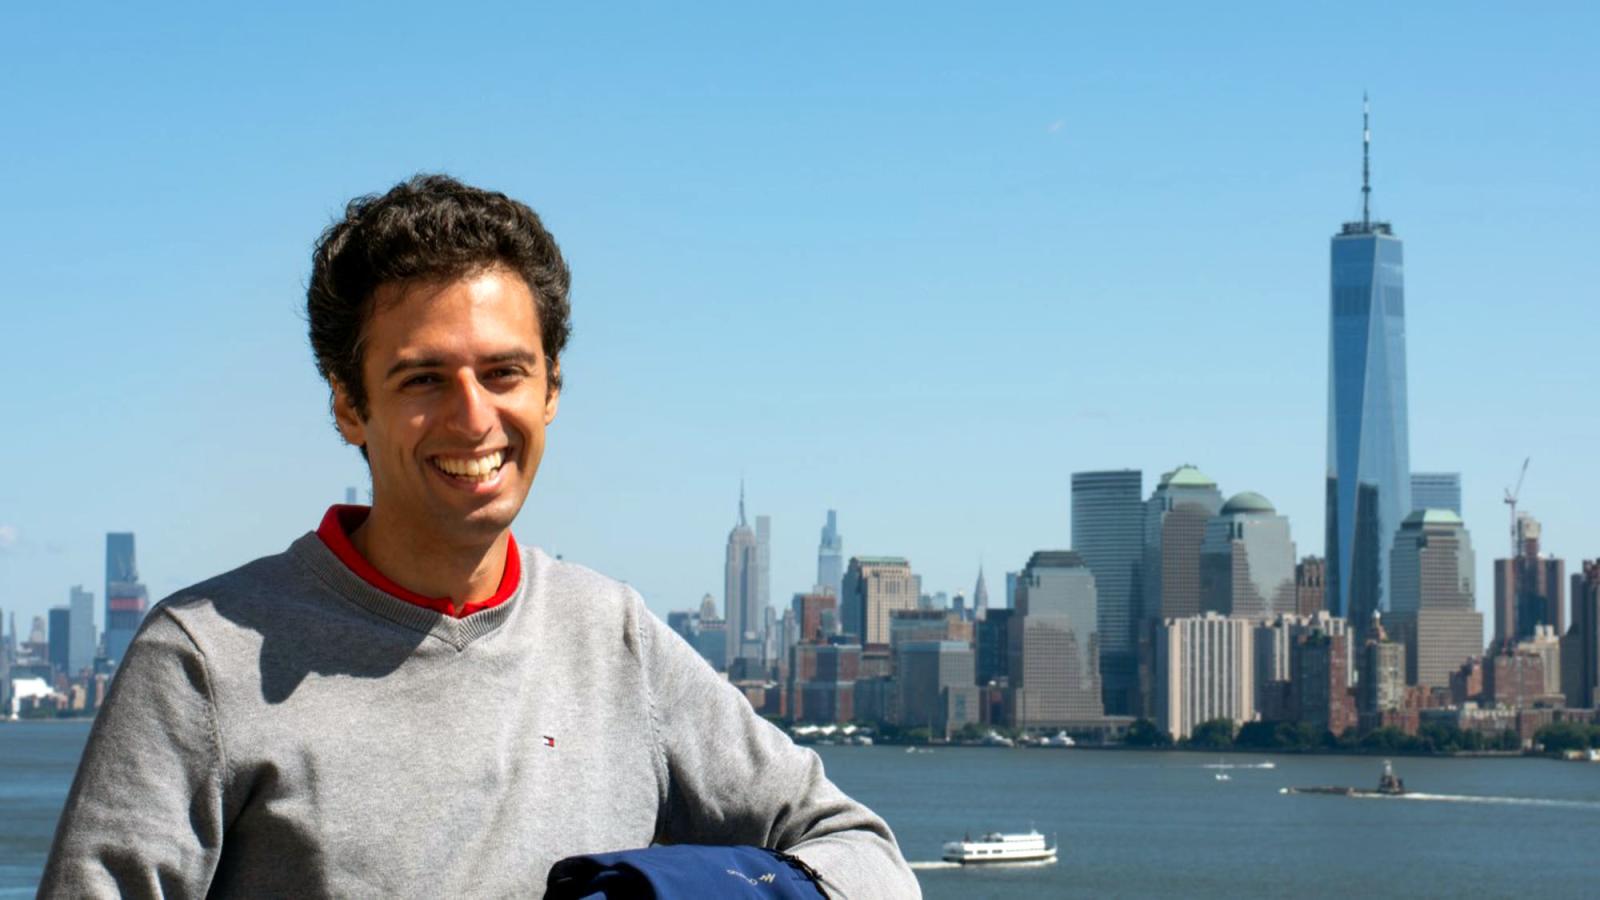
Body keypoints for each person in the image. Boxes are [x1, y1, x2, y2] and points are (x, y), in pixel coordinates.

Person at [40, 175, 918, 898]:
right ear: (349, 405)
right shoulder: (201, 660)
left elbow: (865, 856)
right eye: (423, 377)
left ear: (552, 391)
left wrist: (679, 891)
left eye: (505, 372)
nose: (473, 418)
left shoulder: (613, 636)